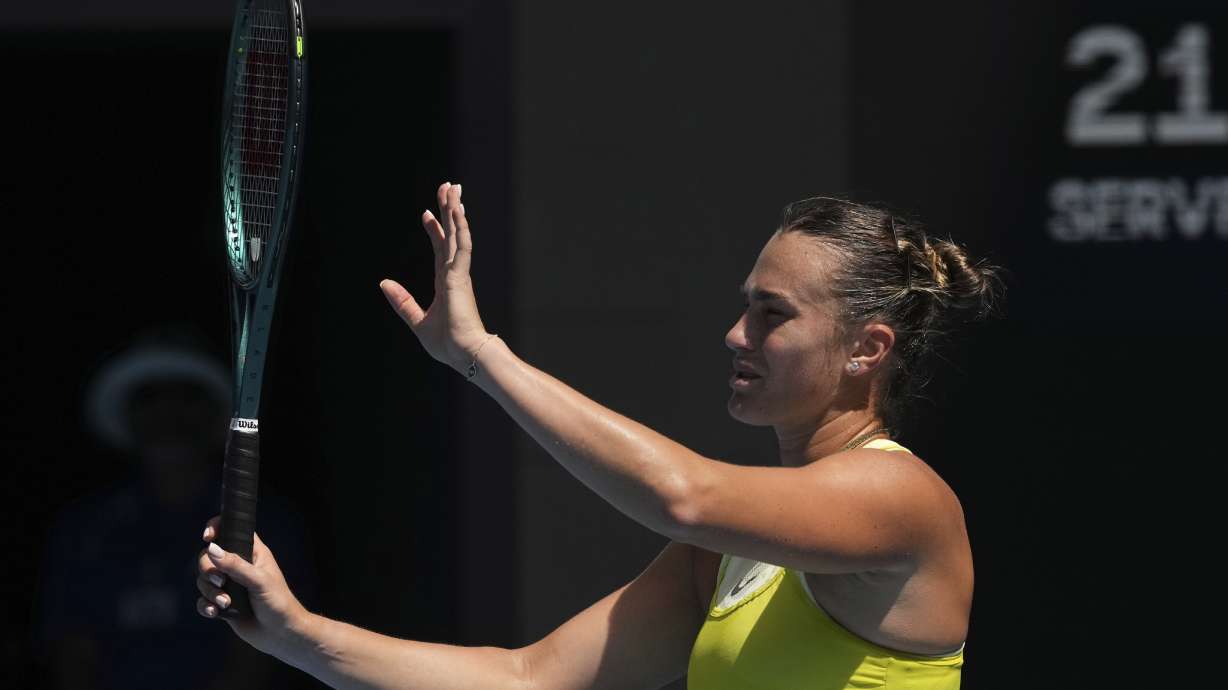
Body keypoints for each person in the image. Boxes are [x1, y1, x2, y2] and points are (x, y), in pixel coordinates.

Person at [196, 182, 1004, 689]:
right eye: (745, 305)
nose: (736, 334)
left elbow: (683, 497)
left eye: (774, 314)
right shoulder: (724, 558)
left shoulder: (901, 499)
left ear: (867, 349)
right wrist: (299, 635)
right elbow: (527, 679)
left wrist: (481, 356)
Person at [39, 335, 315, 690]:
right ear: (128, 414)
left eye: (187, 397)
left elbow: (267, 651)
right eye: (149, 397)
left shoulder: (268, 524)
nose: (168, 414)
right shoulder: (82, 528)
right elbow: (72, 652)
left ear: (213, 412)